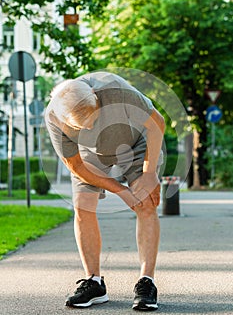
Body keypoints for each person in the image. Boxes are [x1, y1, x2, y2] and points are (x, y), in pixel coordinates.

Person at [45, 71, 165, 311]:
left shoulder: (117, 90)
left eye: (93, 118)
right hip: (90, 154)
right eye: (82, 125)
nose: (91, 126)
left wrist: (149, 173)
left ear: (95, 96)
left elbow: (156, 123)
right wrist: (120, 190)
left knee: (145, 201)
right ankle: (94, 282)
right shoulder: (53, 117)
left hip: (135, 141)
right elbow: (77, 165)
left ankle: (146, 282)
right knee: (82, 206)